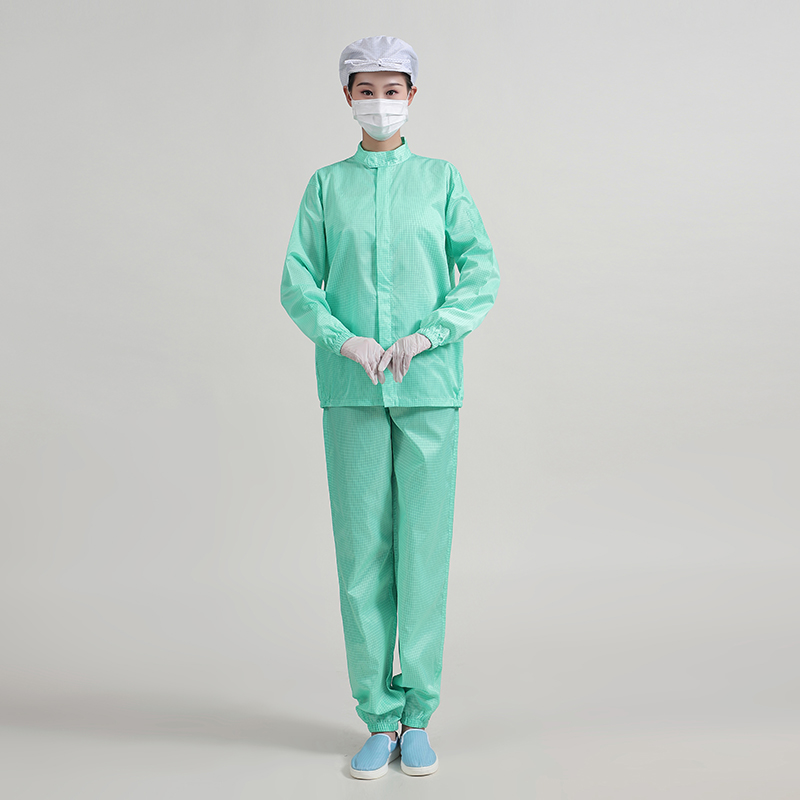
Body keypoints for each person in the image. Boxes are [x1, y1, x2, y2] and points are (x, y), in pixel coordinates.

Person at [280, 35, 500, 779]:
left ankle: (419, 715)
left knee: (423, 553)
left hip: (429, 388)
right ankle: (378, 717)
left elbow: (481, 270)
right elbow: (298, 281)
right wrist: (343, 340)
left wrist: (430, 333)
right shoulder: (325, 187)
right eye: (366, 89)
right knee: (362, 558)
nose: (380, 102)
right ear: (347, 97)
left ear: (412, 94)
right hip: (352, 391)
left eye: (392, 89)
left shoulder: (442, 181)